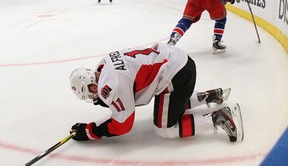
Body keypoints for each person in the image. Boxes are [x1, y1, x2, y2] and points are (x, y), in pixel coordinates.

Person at [69, 43, 243, 142]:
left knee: (164, 129)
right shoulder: (104, 63)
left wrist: (91, 131)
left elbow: (123, 124)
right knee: (169, 106)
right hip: (178, 60)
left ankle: (216, 118)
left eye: (92, 94)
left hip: (176, 74)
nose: (95, 97)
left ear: (92, 86)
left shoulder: (110, 86)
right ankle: (208, 96)